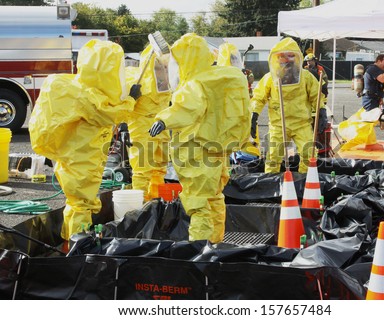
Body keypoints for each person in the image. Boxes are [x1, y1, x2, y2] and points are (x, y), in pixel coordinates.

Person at [29, 40, 137, 246]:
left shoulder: (79, 88)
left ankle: (69, 243)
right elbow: (109, 114)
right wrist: (131, 100)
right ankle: (78, 253)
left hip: (74, 155)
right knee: (81, 205)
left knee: (77, 204)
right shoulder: (86, 95)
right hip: (80, 158)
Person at [149, 33, 250, 243]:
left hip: (196, 150)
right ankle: (214, 245)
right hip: (216, 148)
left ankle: (200, 251)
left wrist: (163, 120)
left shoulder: (194, 84)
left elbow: (186, 108)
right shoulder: (219, 76)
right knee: (214, 199)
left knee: (199, 204)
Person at [250, 37, 326, 174]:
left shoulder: (306, 77)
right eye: (283, 57)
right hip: (278, 124)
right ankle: (270, 187)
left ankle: (305, 183)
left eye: (290, 56)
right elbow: (259, 97)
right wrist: (253, 114)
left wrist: (322, 112)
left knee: (309, 154)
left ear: (297, 58)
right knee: (273, 157)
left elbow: (317, 96)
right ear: (277, 58)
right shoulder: (270, 78)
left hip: (301, 123)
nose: (286, 60)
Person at [125, 45, 171, 201]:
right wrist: (131, 97)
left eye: (165, 67)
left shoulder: (166, 83)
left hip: (160, 128)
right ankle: (140, 208)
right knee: (142, 169)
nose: (163, 70)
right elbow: (121, 108)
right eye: (159, 67)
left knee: (159, 167)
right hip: (142, 129)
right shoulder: (134, 79)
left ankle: (155, 202)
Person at [217, 42, 260, 161]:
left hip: (244, 106)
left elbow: (250, 80)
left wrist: (245, 73)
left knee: (246, 132)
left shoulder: (244, 72)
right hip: (229, 110)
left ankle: (244, 154)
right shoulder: (220, 74)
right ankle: (233, 155)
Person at [339, 54, 384, 151]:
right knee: (369, 121)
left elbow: (380, 87)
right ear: (378, 61)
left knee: (369, 121)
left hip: (373, 99)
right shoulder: (373, 69)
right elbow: (382, 79)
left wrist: (380, 99)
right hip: (370, 99)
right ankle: (364, 142)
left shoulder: (377, 70)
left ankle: (370, 143)